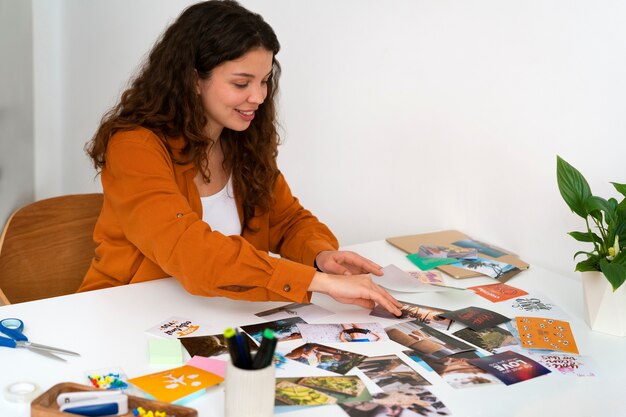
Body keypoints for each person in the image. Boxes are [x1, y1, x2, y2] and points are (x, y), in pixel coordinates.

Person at [77, 0, 401, 316]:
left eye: (263, 81)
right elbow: (192, 253)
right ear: (192, 80)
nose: (258, 97)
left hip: (212, 315)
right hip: (124, 318)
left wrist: (321, 255)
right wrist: (317, 282)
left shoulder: (240, 141)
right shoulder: (134, 147)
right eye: (241, 83)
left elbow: (287, 221)